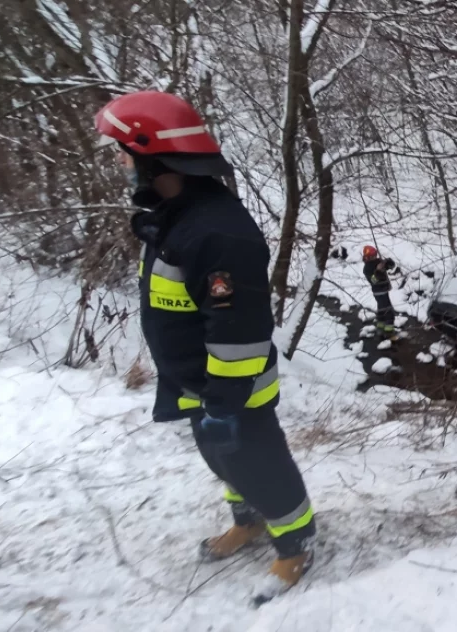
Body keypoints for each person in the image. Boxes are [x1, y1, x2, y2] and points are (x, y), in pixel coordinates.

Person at [94, 91, 316, 602]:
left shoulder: (218, 232)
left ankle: (296, 542)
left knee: (259, 463)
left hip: (231, 388)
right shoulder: (178, 214)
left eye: (125, 151)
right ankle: (249, 522)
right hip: (198, 380)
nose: (122, 162)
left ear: (154, 155)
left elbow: (237, 326)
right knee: (225, 461)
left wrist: (225, 397)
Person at [361, 245, 397, 337]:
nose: (374, 257)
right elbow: (373, 280)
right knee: (388, 311)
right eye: (372, 256)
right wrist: (378, 270)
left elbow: (391, 266)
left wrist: (388, 262)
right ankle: (389, 331)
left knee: (381, 309)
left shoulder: (378, 261)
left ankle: (380, 327)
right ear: (367, 257)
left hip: (384, 289)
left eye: (375, 255)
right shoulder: (367, 269)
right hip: (378, 291)